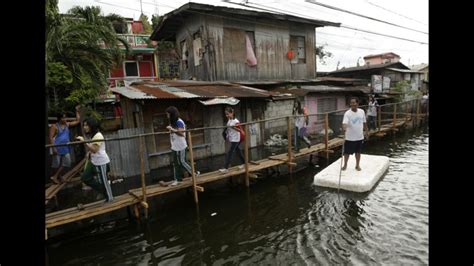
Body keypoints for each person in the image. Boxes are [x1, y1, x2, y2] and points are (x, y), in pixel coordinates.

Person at [76, 117, 114, 202]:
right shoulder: (92, 135)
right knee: (85, 177)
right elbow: (93, 149)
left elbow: (95, 149)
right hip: (93, 161)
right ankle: (102, 191)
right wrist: (89, 152)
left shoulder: (98, 135)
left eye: (86, 125)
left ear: (91, 125)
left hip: (101, 161)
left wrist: (84, 141)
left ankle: (110, 198)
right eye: (84, 125)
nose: (85, 127)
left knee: (104, 181)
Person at [160, 106, 199, 186]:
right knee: (175, 163)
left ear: (172, 114)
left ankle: (194, 173)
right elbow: (173, 132)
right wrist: (170, 130)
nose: (167, 116)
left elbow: (182, 133)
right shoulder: (172, 122)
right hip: (174, 146)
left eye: (168, 114)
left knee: (182, 161)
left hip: (181, 146)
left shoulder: (179, 121)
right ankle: (177, 179)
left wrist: (172, 129)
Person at [49, 106, 81, 184]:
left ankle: (56, 176)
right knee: (56, 164)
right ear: (59, 119)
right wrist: (53, 148)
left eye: (65, 117)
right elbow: (50, 137)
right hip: (57, 147)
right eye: (63, 118)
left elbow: (78, 121)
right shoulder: (54, 126)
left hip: (66, 147)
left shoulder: (67, 124)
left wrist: (77, 111)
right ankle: (57, 177)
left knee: (66, 162)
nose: (65, 119)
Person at [342, 97, 369, 171]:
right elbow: (344, 123)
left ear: (357, 103)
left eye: (354, 102)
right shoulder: (347, 113)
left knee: (358, 152)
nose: (352, 104)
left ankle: (357, 165)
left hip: (359, 137)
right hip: (349, 137)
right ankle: (345, 165)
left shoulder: (362, 111)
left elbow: (364, 122)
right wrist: (344, 127)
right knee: (346, 152)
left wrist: (366, 132)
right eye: (351, 103)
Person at [219, 106, 245, 174]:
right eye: (226, 114)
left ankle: (225, 168)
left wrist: (233, 127)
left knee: (230, 152)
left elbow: (240, 130)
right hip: (232, 138)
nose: (226, 115)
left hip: (236, 138)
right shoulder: (229, 120)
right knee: (238, 150)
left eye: (228, 114)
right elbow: (228, 128)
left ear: (231, 113)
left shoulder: (236, 121)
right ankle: (244, 163)